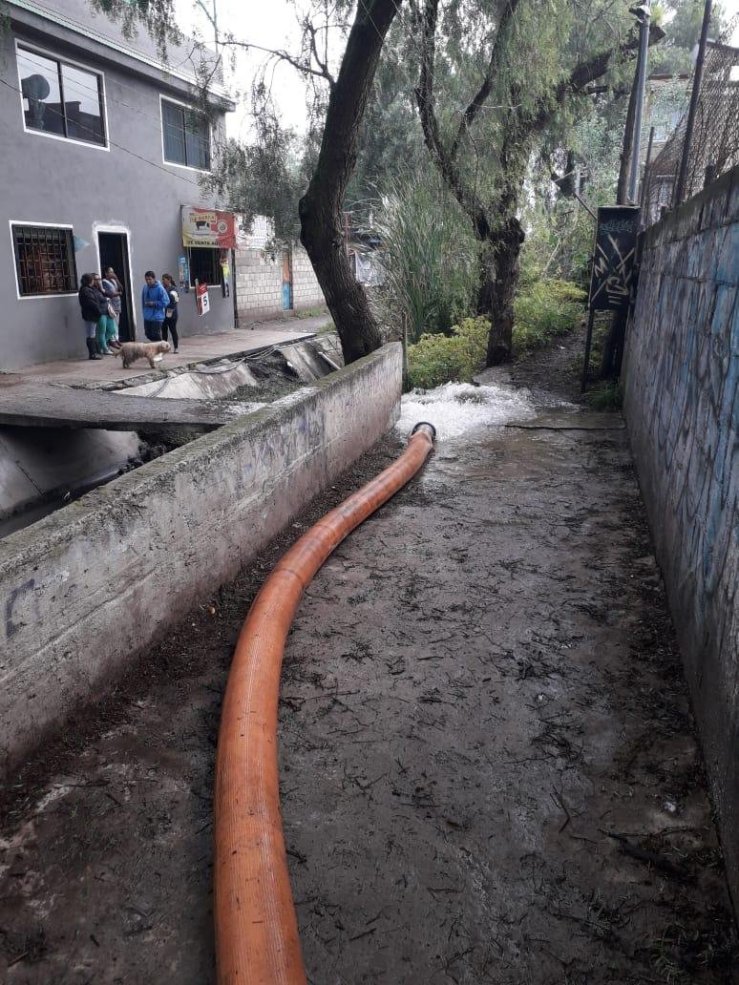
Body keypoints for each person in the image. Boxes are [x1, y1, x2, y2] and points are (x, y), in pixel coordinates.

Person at [78, 273, 109, 359]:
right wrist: (99, 311)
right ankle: (93, 353)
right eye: (92, 280)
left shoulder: (87, 289)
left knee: (91, 334)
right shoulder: (86, 290)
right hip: (90, 315)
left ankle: (95, 352)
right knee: (91, 334)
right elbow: (92, 303)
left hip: (90, 314)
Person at [141, 270, 170, 341]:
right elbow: (143, 301)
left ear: (154, 279)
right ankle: (157, 346)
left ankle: (162, 345)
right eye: (146, 279)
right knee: (148, 334)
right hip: (147, 316)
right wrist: (144, 311)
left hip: (157, 316)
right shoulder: (145, 287)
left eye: (150, 279)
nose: (148, 281)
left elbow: (166, 301)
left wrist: (154, 303)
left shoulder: (160, 288)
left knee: (155, 334)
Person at [101, 267, 123, 348]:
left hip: (117, 305)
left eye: (113, 272)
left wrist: (116, 279)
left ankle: (117, 339)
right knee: (112, 324)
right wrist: (117, 293)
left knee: (117, 323)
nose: (112, 274)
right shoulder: (104, 282)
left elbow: (121, 288)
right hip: (111, 306)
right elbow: (110, 293)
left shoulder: (114, 280)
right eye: (110, 272)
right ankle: (112, 340)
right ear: (106, 273)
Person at [161, 273, 179, 353]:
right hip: (163, 314)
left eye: (164, 280)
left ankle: (176, 347)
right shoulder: (162, 289)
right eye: (162, 280)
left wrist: (169, 310)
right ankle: (164, 348)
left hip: (172, 314)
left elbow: (175, 302)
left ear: (169, 280)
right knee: (164, 331)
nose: (163, 281)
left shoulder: (173, 289)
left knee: (173, 330)